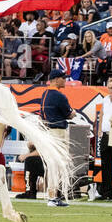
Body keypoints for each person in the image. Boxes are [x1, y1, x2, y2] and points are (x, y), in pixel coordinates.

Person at [38, 69, 73, 206]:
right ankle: (53, 197)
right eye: (63, 78)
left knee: (52, 165)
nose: (65, 80)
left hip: (49, 131)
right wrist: (73, 113)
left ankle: (52, 195)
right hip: (58, 132)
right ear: (56, 79)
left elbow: (42, 114)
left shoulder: (45, 93)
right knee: (57, 165)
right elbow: (69, 114)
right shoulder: (59, 96)